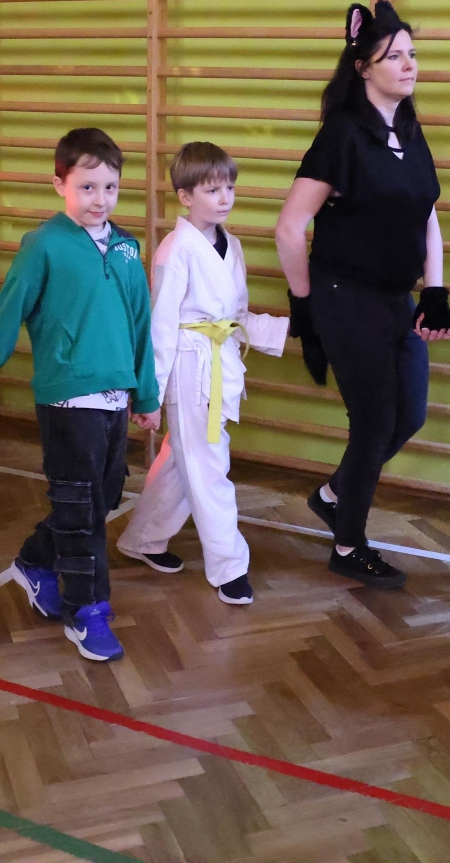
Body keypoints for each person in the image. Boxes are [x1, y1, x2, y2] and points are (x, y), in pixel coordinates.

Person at [274, 1, 450, 590]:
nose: (408, 64)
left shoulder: (410, 131)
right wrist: (305, 306)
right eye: (393, 56)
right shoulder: (342, 135)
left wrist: (435, 289)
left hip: (395, 299)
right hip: (344, 294)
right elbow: (289, 227)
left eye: (411, 54)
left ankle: (333, 495)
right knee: (374, 423)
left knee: (411, 413)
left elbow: (426, 213)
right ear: (362, 67)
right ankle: (348, 545)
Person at [0, 128, 159, 662]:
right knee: (81, 513)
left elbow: (141, 326)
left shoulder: (126, 247)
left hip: (116, 400)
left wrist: (146, 395)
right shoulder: (43, 245)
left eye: (110, 187)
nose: (100, 199)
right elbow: (8, 314)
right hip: (67, 401)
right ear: (59, 185)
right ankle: (86, 611)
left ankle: (33, 559)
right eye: (87, 187)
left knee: (103, 499)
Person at [116, 142, 289, 605]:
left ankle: (142, 539)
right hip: (188, 368)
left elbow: (237, 317)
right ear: (185, 196)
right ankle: (229, 567)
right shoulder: (175, 251)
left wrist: (289, 331)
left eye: (229, 187)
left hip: (220, 359)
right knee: (210, 468)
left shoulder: (231, 245)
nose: (225, 197)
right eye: (213, 190)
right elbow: (160, 327)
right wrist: (149, 396)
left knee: (183, 461)